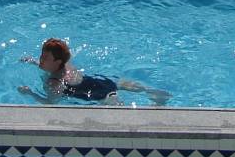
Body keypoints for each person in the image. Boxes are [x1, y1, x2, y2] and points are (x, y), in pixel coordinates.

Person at [18, 37, 171, 106]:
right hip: (101, 81)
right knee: (121, 84)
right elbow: (48, 65)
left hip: (98, 95)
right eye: (41, 56)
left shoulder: (54, 83)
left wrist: (30, 93)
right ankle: (151, 91)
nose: (41, 60)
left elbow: (51, 102)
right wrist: (33, 61)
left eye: (45, 58)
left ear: (57, 62)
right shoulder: (66, 64)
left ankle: (156, 108)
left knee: (120, 109)